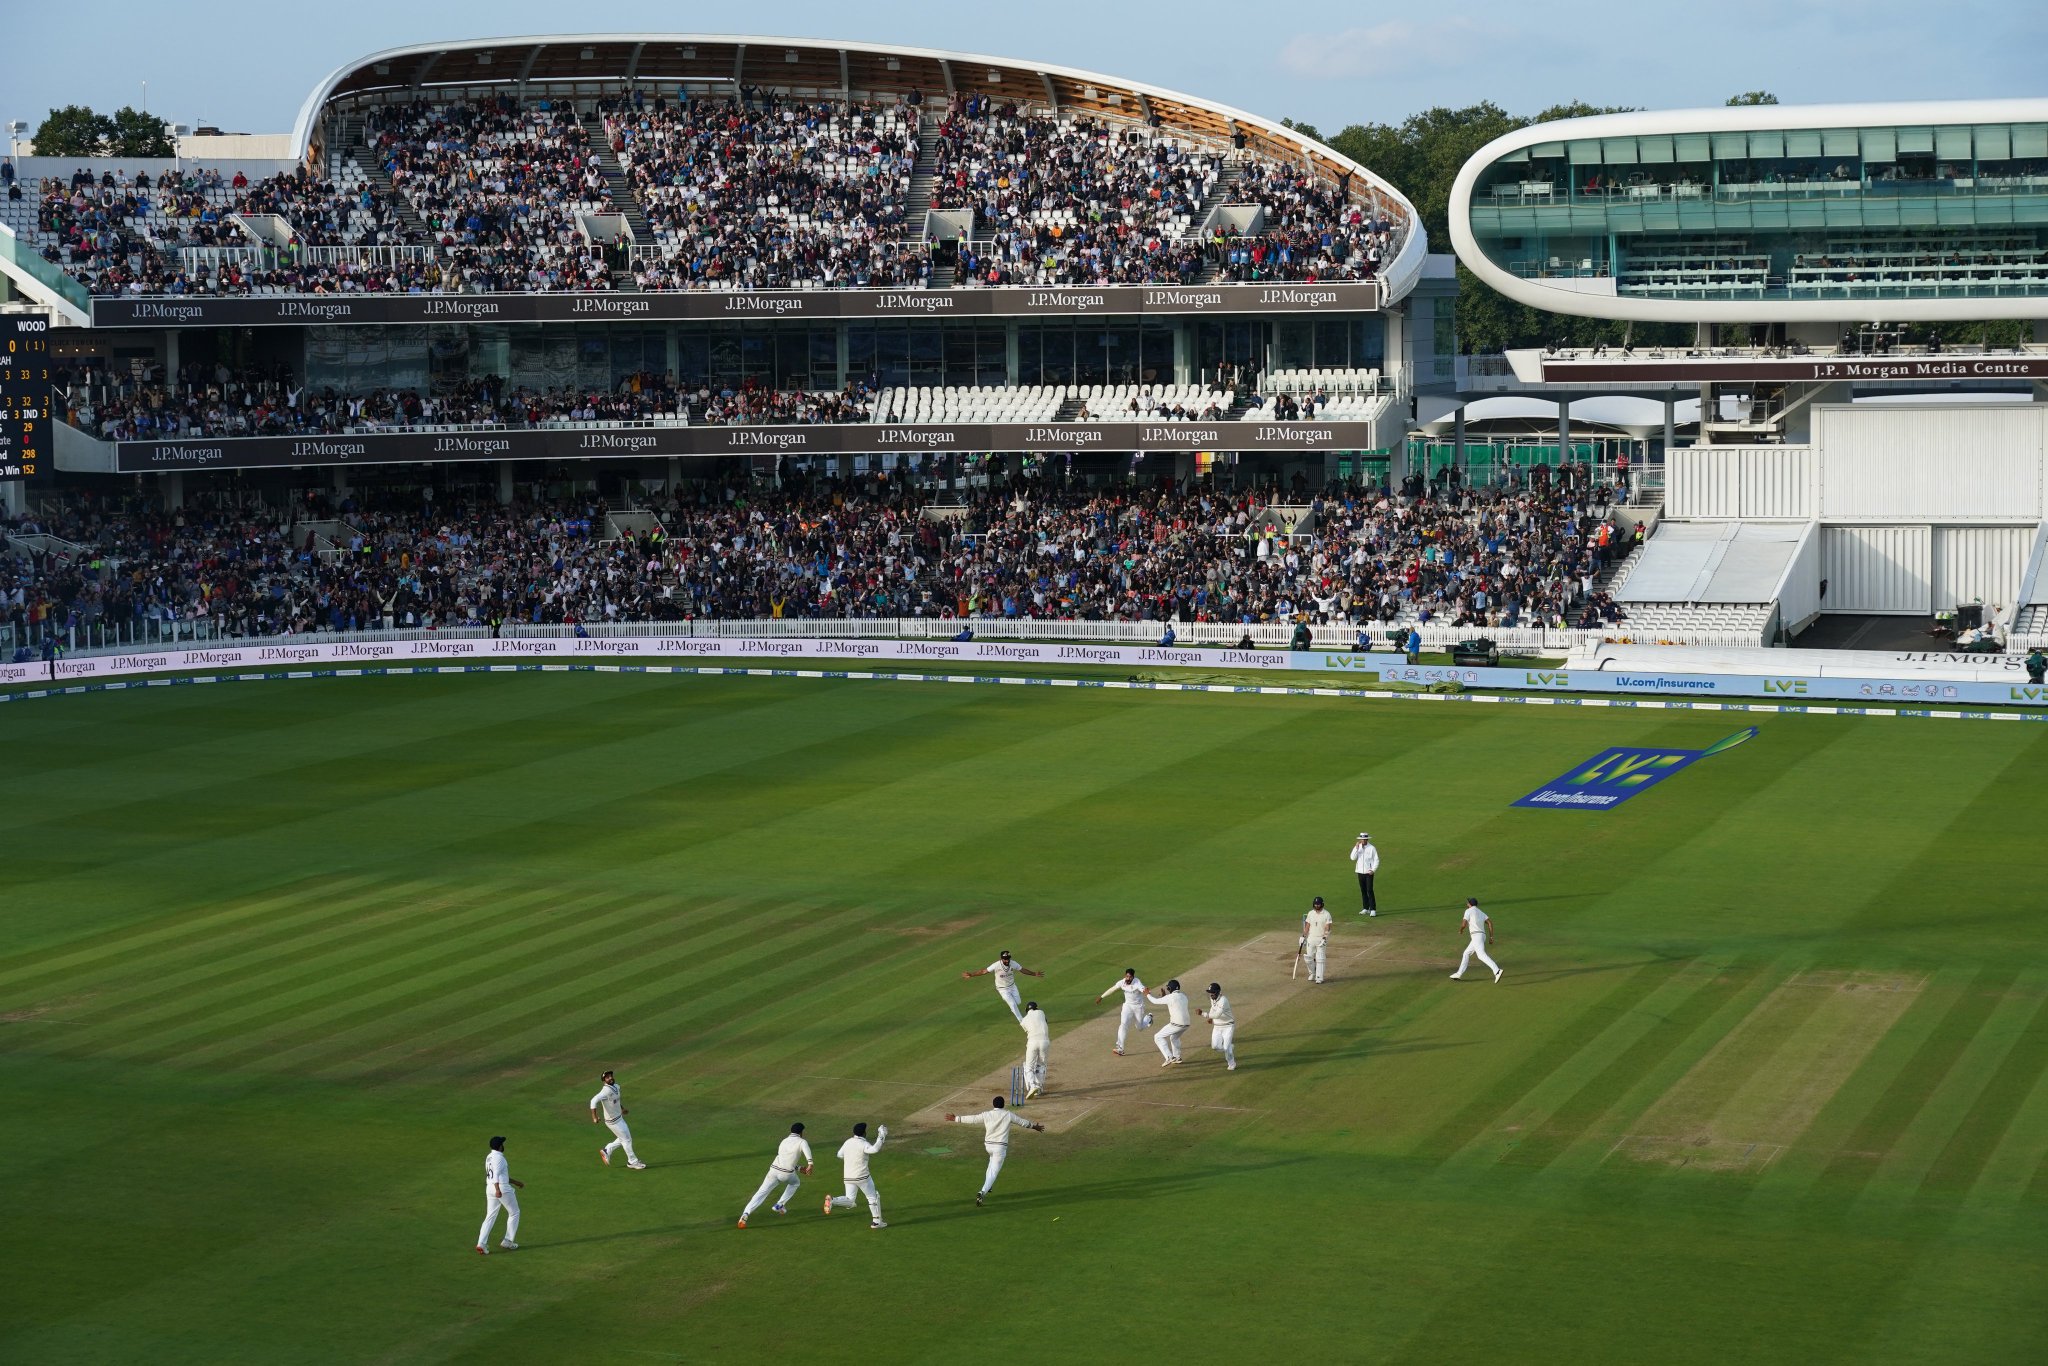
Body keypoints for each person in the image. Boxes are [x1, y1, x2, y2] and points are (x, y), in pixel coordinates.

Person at [945, 1095, 1044, 1205]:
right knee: (993, 1172)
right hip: (1000, 1148)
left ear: (993, 1104)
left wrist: (956, 1118)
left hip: (988, 1147)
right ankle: (982, 1192)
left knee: (991, 1164)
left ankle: (988, 1186)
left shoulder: (987, 1114)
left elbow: (973, 1119)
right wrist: (1035, 1127)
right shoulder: (1008, 1114)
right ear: (1003, 1105)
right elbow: (1023, 1122)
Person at [738, 1123, 813, 1228]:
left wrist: (800, 1168)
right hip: (786, 1173)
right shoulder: (802, 1142)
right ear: (801, 1132)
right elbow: (807, 1154)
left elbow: (784, 1159)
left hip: (773, 1171)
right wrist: (810, 1164)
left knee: (761, 1192)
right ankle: (780, 1204)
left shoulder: (784, 1141)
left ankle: (745, 1213)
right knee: (795, 1183)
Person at [824, 1121, 889, 1228]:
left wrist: (851, 1158)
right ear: (864, 1133)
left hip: (848, 1177)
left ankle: (832, 1200)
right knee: (872, 1197)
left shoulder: (848, 1142)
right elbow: (874, 1149)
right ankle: (876, 1222)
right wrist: (881, 1135)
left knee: (850, 1201)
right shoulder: (863, 1143)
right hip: (862, 1176)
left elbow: (839, 1154)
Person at [963, 950, 1043, 1023]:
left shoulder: (1013, 963)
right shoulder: (996, 965)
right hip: (1002, 989)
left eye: (1008, 958)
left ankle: (1013, 1009)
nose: (1007, 960)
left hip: (1012, 986)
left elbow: (1022, 969)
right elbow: (984, 971)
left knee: (1018, 1002)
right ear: (1001, 959)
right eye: (1005, 959)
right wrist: (971, 974)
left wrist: (1034, 974)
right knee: (1012, 1004)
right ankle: (1021, 1021)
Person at [590, 1069, 647, 1170]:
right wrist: (594, 1117)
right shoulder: (605, 1091)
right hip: (613, 1121)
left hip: (619, 1118)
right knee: (626, 1139)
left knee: (624, 1138)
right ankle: (632, 1161)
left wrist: (622, 1109)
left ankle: (607, 1150)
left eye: (611, 1076)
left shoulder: (616, 1086)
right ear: (604, 1080)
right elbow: (593, 1101)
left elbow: (615, 1101)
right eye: (607, 1077)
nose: (610, 1078)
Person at [475, 1135, 523, 1255]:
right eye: (502, 1143)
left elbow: (500, 1175)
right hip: (500, 1188)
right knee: (514, 1212)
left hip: (489, 1187)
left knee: (490, 1215)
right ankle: (508, 1241)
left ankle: (481, 1243)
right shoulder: (500, 1158)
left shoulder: (489, 1157)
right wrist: (498, 1189)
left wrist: (516, 1182)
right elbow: (496, 1175)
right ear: (500, 1146)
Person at [1096, 967, 1151, 1056]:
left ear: (1133, 977)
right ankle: (1120, 1048)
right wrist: (1101, 997)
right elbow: (1112, 989)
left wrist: (1147, 991)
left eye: (1130, 977)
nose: (1128, 978)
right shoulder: (1122, 982)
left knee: (1139, 1028)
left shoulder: (1137, 982)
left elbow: (1144, 990)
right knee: (1123, 1024)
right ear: (1125, 975)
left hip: (1138, 1007)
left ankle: (1148, 1018)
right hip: (1127, 1006)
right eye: (1127, 976)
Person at [1451, 897, 1503, 983]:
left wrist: (1461, 930)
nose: (1466, 904)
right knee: (1466, 953)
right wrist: (1491, 937)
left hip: (1476, 936)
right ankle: (1459, 974)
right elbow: (1490, 923)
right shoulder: (1481, 912)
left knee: (1481, 955)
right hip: (1482, 936)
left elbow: (1464, 924)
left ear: (1470, 904)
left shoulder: (1468, 911)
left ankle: (1497, 971)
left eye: (1467, 903)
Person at [1146, 978, 1192, 1066]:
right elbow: (1174, 1002)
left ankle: (1169, 1057)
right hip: (1186, 1024)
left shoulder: (1170, 997)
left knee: (1158, 1037)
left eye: (1168, 988)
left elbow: (1155, 1001)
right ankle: (1177, 1057)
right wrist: (1164, 996)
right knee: (1174, 1038)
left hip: (1176, 1024)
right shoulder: (1183, 996)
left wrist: (1147, 994)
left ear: (1170, 988)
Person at [1200, 982, 1237, 1070]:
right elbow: (1213, 1008)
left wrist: (1203, 1014)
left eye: (1212, 992)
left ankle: (1231, 1063)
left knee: (1226, 1048)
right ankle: (1229, 1047)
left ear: (1217, 992)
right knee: (1215, 1047)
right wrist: (1211, 1018)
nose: (1210, 994)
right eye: (1210, 992)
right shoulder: (1212, 998)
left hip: (1228, 1026)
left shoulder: (1223, 1000)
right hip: (1217, 1026)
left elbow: (1217, 1015)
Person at [1020, 1001, 1051, 1098]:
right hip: (1045, 1041)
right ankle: (1039, 1088)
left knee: (1029, 1067)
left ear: (1026, 1010)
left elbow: (1027, 1029)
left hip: (1032, 1042)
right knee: (1041, 1065)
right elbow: (1045, 1021)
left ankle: (1033, 1086)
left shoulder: (1023, 1020)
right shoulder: (1041, 1012)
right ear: (1036, 1008)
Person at [1301, 895, 1334, 984]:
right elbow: (1307, 926)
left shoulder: (1326, 914)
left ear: (1322, 904)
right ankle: (1312, 973)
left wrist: (1324, 938)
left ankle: (1319, 977)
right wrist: (1303, 936)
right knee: (1308, 958)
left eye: (1318, 904)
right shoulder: (1310, 913)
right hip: (1311, 938)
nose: (1317, 906)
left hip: (1320, 939)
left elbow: (1328, 927)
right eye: (1315, 904)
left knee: (1320, 958)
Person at [1350, 832, 1380, 916]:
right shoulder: (1358, 847)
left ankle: (1373, 909)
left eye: (1364, 839)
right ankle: (1365, 908)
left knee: (1369, 890)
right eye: (1361, 839)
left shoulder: (1372, 848)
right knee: (1363, 890)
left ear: (1367, 839)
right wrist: (1356, 848)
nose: (1363, 841)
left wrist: (1373, 870)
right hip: (1360, 872)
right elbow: (1352, 858)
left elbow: (1376, 860)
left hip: (1369, 873)